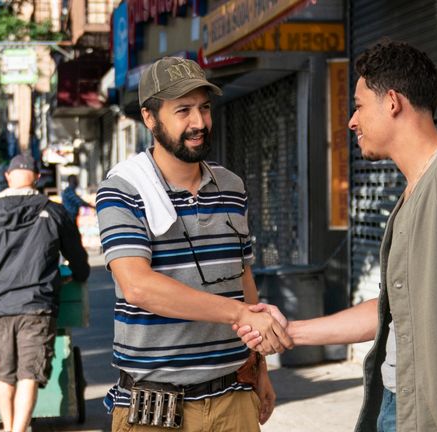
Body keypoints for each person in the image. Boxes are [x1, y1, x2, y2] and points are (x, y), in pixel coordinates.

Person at [240, 40, 437, 431]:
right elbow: (392, 310)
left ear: (392, 102)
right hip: (400, 406)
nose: (352, 121)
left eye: (358, 105)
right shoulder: (415, 192)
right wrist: (291, 332)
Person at [95, 56, 293, 431]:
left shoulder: (231, 187)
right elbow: (138, 286)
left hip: (234, 395)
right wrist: (236, 315)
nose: (199, 123)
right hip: (156, 407)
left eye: (204, 108)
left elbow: (243, 277)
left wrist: (259, 365)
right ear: (149, 118)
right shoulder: (123, 189)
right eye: (182, 110)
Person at [0, 153, 90, 432]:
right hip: (38, 305)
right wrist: (80, 275)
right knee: (29, 372)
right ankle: (17, 430)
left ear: (8, 178)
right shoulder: (54, 212)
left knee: (5, 373)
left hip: (0, 306)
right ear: (38, 178)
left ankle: (10, 428)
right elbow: (77, 257)